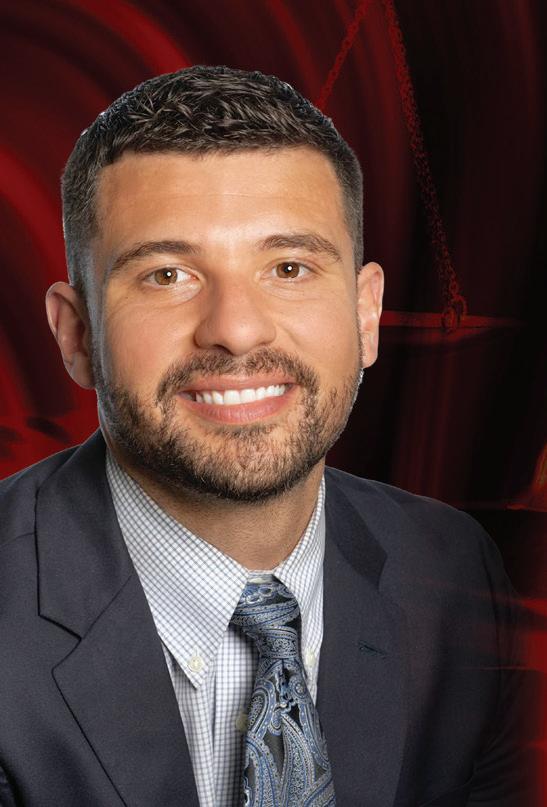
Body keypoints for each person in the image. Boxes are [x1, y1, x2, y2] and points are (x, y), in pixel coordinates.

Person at [0, 65, 534, 807]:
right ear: (76, 334)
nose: (236, 329)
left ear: (365, 314)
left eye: (288, 267)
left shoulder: (452, 569)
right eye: (167, 275)